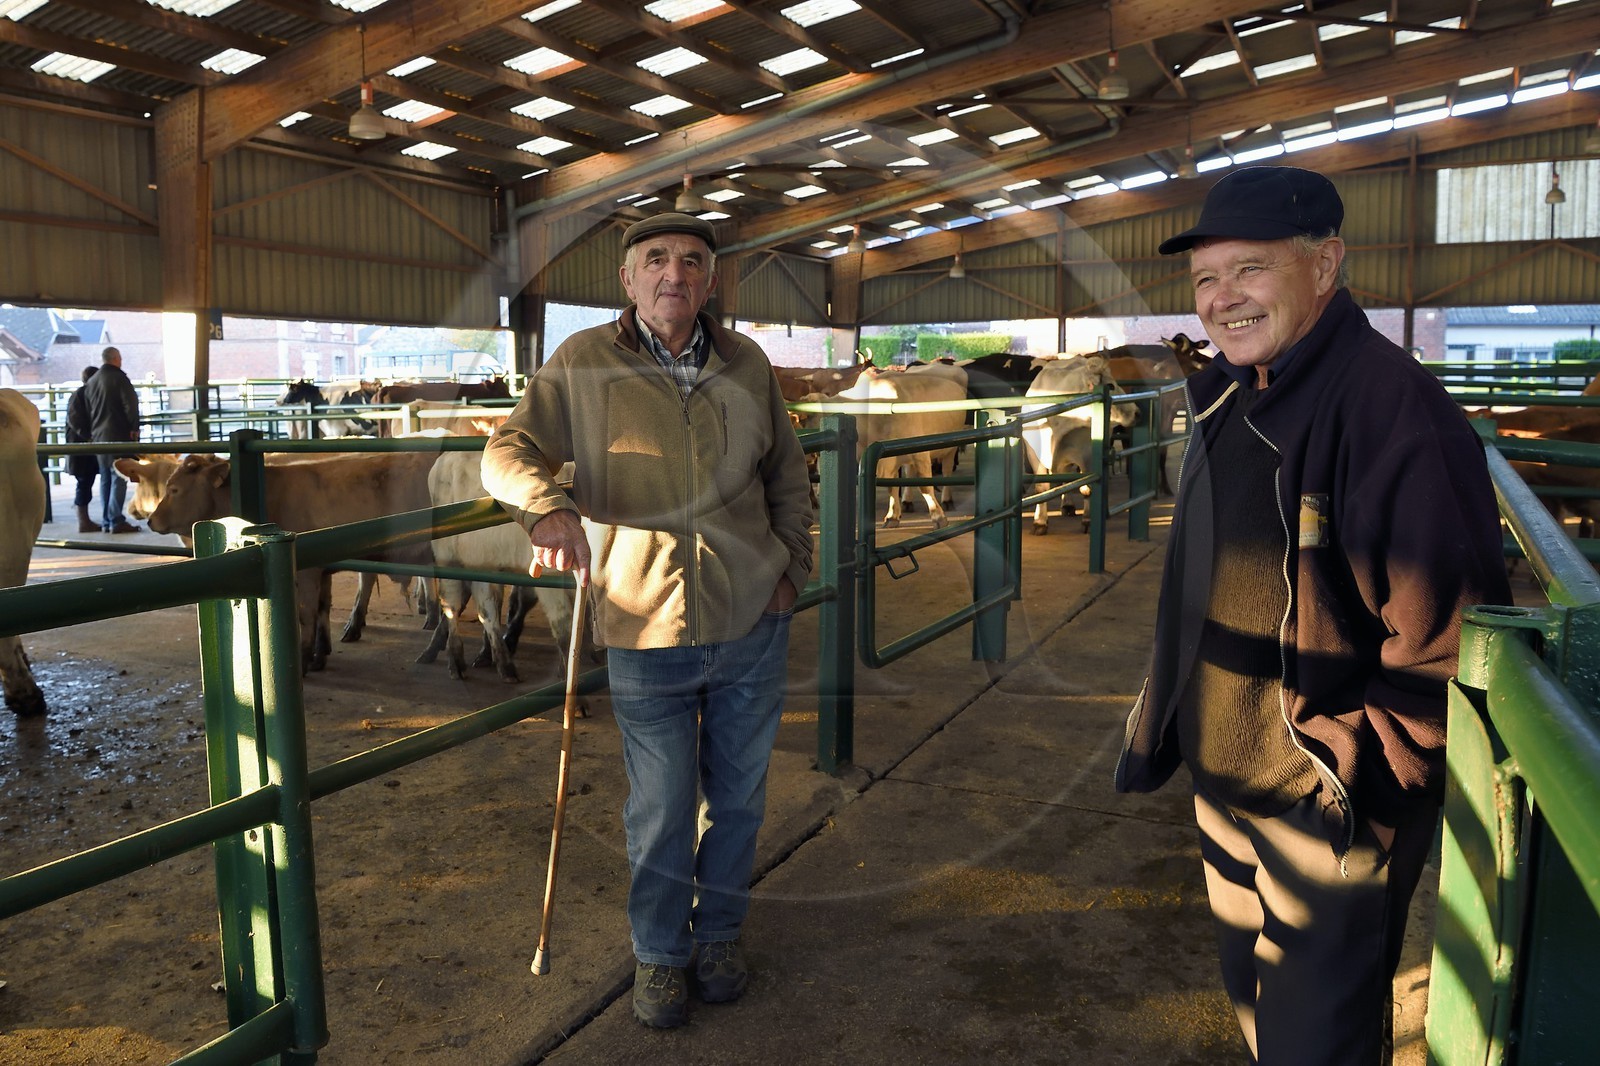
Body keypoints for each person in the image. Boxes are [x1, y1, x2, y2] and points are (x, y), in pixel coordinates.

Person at [1114, 166, 1510, 1065]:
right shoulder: (1226, 395)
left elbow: (1448, 639)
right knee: (1262, 1018)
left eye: (1250, 269)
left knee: (1314, 1044)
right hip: (1227, 783)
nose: (1223, 298)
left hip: (1323, 802)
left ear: (1326, 264)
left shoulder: (1389, 408)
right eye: (1206, 278)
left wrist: (1365, 795)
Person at [481, 212, 814, 1030]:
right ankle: (661, 954)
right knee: (662, 808)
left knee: (739, 802)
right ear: (628, 280)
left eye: (693, 261)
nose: (675, 273)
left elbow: (788, 475)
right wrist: (546, 506)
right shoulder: (582, 361)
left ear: (711, 281)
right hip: (644, 628)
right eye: (656, 259)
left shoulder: (746, 362)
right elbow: (506, 450)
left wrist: (790, 571)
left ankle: (720, 938)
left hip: (751, 621)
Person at [80, 345, 141, 534]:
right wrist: (134, 427)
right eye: (120, 358)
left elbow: (88, 410)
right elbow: (131, 404)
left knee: (105, 478)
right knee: (119, 477)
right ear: (115, 359)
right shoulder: (119, 378)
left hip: (98, 437)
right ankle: (116, 520)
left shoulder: (92, 381)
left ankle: (107, 520)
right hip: (118, 434)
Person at [65, 365, 100, 533]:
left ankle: (84, 520)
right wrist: (89, 436)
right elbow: (75, 420)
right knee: (84, 482)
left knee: (85, 481)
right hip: (82, 447)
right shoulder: (81, 395)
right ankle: (83, 521)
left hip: (83, 446)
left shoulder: (81, 394)